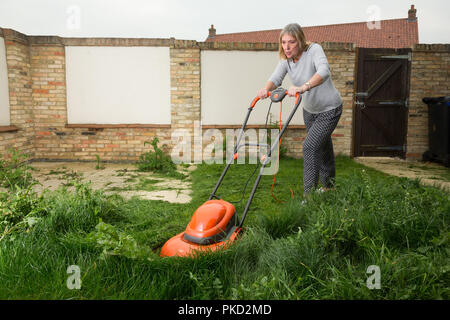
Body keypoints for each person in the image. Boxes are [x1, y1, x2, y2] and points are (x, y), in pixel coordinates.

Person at [257, 23, 343, 196]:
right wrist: (265, 89)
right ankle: (329, 187)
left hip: (329, 108)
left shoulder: (314, 50)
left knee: (310, 147)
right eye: (283, 42)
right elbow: (276, 78)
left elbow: (324, 71)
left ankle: (308, 197)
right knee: (323, 147)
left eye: (292, 42)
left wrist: (304, 87)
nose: (287, 47)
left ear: (300, 41)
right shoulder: (286, 60)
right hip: (310, 111)